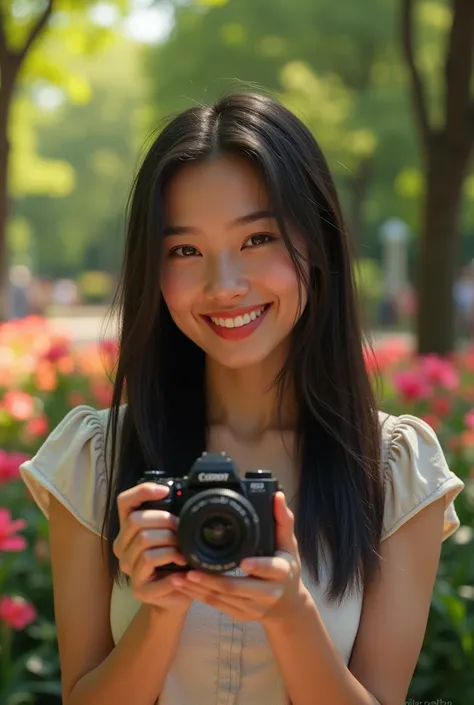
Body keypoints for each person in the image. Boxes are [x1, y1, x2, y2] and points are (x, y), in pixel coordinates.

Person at [20, 92, 464, 705]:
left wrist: (290, 615)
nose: (223, 285)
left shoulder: (391, 468)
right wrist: (162, 610)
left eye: (257, 239)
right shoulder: (97, 459)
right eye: (185, 250)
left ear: (319, 241)